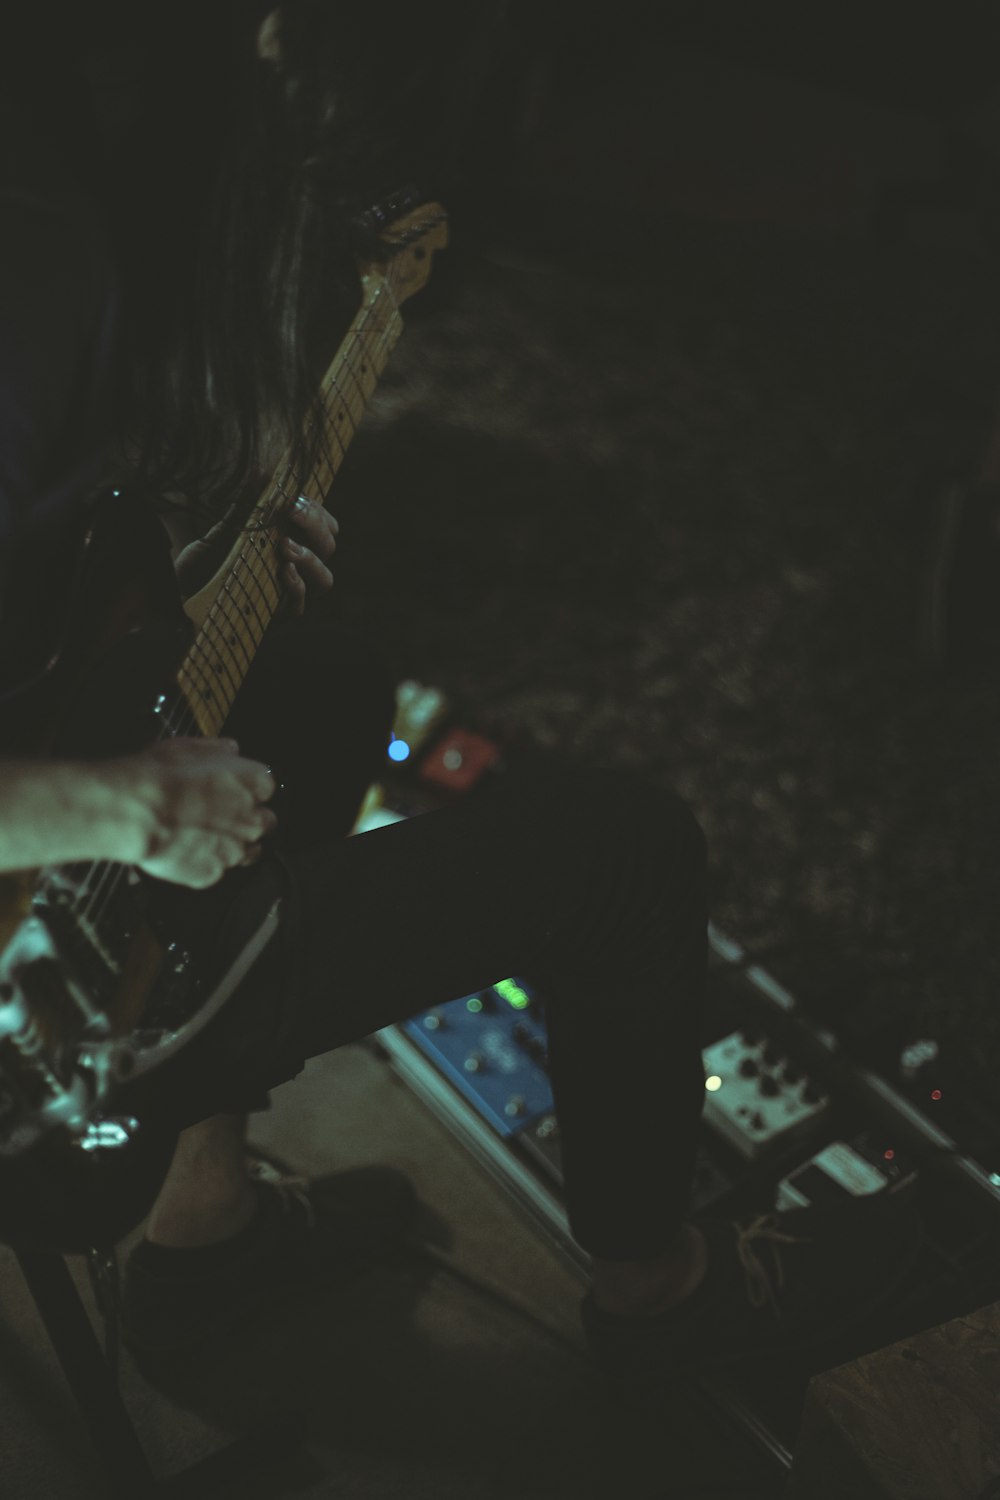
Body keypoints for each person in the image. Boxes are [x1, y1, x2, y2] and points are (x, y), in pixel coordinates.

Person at [1, 0, 903, 1400]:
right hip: (24, 991)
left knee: (328, 680)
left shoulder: (54, 131)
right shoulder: (40, 255)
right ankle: (666, 1300)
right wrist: (123, 803)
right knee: (631, 854)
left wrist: (202, 550)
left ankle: (202, 1231)